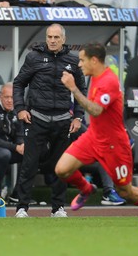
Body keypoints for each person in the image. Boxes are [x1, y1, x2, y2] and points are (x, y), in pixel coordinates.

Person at [55, 42, 138, 226]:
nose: (80, 64)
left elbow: (96, 110)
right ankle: (86, 188)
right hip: (93, 137)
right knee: (61, 169)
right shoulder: (95, 77)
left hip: (114, 145)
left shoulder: (109, 81)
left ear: (94, 60)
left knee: (125, 191)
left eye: (82, 60)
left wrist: (73, 89)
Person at [13, 23, 86, 218]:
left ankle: (58, 208)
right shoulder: (33, 57)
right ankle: (22, 207)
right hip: (37, 117)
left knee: (61, 166)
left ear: (63, 39)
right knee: (29, 164)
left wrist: (79, 116)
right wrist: (19, 109)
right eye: (49, 37)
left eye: (56, 37)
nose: (52, 41)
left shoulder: (73, 60)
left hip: (63, 118)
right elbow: (19, 83)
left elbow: (81, 90)